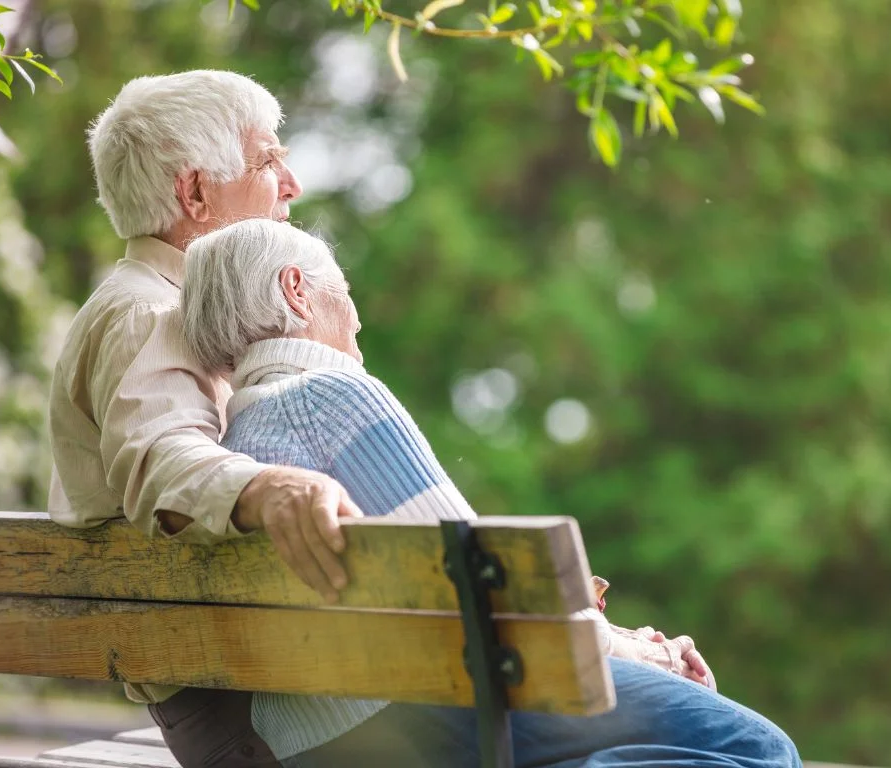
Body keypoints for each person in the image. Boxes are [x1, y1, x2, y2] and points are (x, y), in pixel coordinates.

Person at [177, 217, 802, 768]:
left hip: (308, 743)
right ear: (296, 291)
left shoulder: (235, 443)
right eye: (343, 289)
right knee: (762, 750)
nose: (358, 314)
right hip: (423, 714)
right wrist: (642, 652)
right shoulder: (332, 397)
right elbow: (490, 594)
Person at [47, 70, 366, 767]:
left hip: (258, 682)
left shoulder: (176, 309)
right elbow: (162, 457)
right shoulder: (150, 313)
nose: (292, 184)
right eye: (267, 159)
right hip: (246, 714)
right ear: (194, 193)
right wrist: (269, 489)